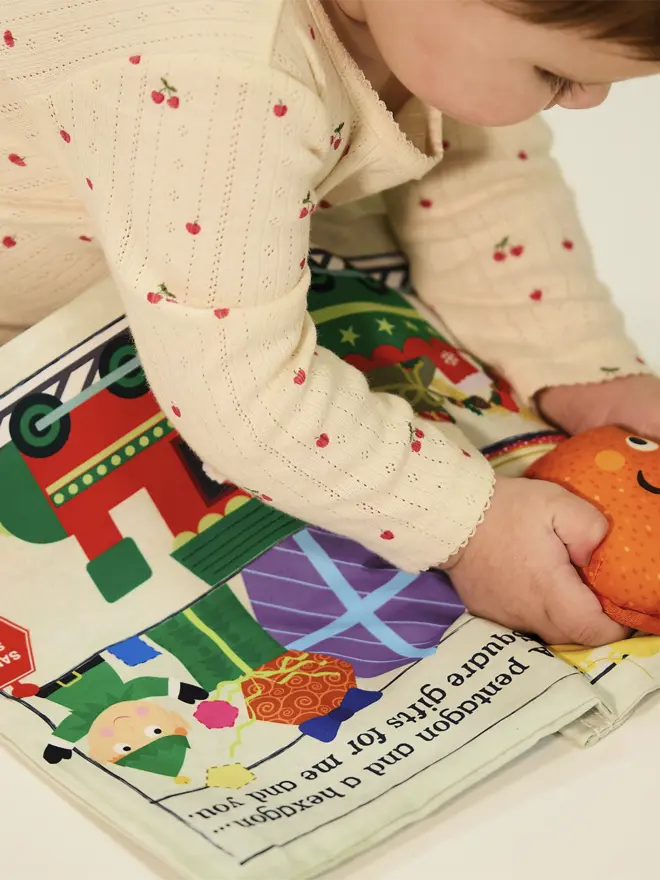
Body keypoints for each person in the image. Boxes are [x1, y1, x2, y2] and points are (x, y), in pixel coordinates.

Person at [1, 0, 659, 647]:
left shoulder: (418, 23)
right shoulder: (226, 78)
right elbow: (243, 394)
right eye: (554, 74)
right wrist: (469, 524)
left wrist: (581, 367)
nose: (589, 101)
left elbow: (479, 175)